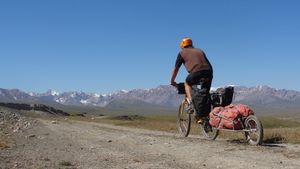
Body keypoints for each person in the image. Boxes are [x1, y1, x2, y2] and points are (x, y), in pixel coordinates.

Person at [170, 37, 213, 123]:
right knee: (205, 93)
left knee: (187, 83)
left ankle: (191, 103)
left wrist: (172, 80)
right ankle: (204, 117)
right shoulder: (200, 50)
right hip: (209, 72)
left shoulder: (182, 53)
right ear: (191, 44)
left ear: (182, 46)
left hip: (196, 72)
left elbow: (176, 68)